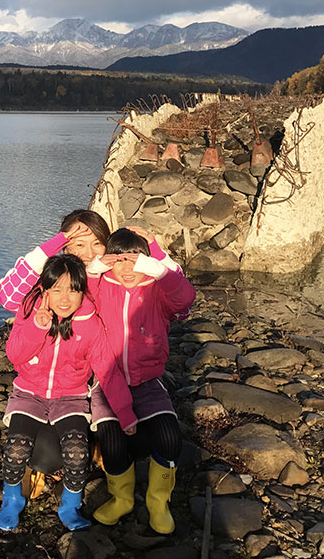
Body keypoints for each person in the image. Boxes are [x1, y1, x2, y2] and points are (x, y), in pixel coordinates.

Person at [0, 253, 137, 532]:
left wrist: (125, 412)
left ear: (82, 291)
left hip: (71, 397)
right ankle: (12, 499)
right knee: (16, 448)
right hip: (29, 394)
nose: (65, 298)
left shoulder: (90, 323)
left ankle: (70, 505)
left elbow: (108, 370)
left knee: (77, 451)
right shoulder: (29, 310)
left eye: (73, 290)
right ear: (44, 290)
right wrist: (38, 327)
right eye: (57, 289)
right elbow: (14, 355)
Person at [86, 227, 196, 534]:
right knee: (112, 441)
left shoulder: (156, 290)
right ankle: (121, 498)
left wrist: (158, 263)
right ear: (109, 263)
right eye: (118, 260)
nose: (127, 268)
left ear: (146, 262)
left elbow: (185, 298)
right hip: (107, 382)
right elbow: (82, 292)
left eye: (134, 260)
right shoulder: (101, 287)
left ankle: (158, 501)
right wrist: (95, 268)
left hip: (148, 380)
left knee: (170, 438)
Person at [0, 209, 111, 314]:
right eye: (80, 245)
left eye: (97, 243)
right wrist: (53, 244)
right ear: (65, 248)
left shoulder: (113, 278)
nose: (90, 254)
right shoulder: (54, 282)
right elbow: (10, 301)